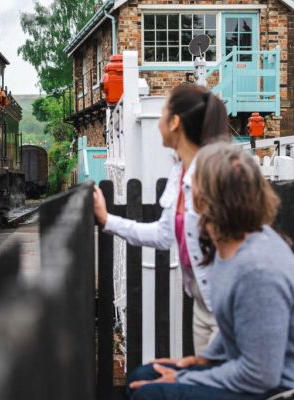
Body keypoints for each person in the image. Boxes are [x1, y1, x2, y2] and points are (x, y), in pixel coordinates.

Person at [125, 143, 294, 400]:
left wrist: (184, 380)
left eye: (191, 187)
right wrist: (202, 360)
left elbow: (258, 375)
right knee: (143, 376)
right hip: (271, 378)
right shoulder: (231, 247)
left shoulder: (257, 271)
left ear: (207, 201)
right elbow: (241, 328)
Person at [93, 84, 230, 353]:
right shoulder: (179, 172)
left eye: (163, 113)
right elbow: (164, 234)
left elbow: (260, 246)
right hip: (204, 305)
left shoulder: (220, 176)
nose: (158, 123)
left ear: (175, 122)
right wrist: (107, 219)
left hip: (228, 308)